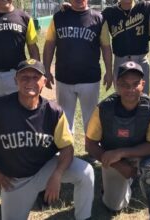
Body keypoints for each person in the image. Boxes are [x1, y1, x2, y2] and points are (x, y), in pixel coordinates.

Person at [0, 59, 94, 220]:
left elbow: (67, 148)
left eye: (35, 77)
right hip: (15, 180)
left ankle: (84, 217)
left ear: (44, 82)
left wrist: (57, 175)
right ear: (15, 80)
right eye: (24, 77)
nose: (30, 82)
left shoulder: (53, 111)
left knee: (86, 172)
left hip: (45, 169)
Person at [85, 61, 150, 219]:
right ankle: (119, 186)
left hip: (138, 156)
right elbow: (90, 144)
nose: (130, 89)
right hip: (113, 159)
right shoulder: (103, 109)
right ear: (116, 84)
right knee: (114, 206)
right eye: (124, 84)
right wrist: (118, 164)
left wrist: (121, 152)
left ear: (143, 84)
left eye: (135, 84)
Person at [43, 0, 113, 135]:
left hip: (90, 79)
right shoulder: (59, 17)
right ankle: (67, 149)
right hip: (64, 78)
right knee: (64, 118)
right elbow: (49, 44)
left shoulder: (98, 18)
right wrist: (46, 69)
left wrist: (109, 71)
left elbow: (106, 47)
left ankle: (91, 149)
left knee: (91, 118)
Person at [101, 0, 150, 94]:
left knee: (143, 98)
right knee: (121, 97)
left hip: (141, 60)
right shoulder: (109, 12)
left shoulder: (145, 7)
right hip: (120, 60)